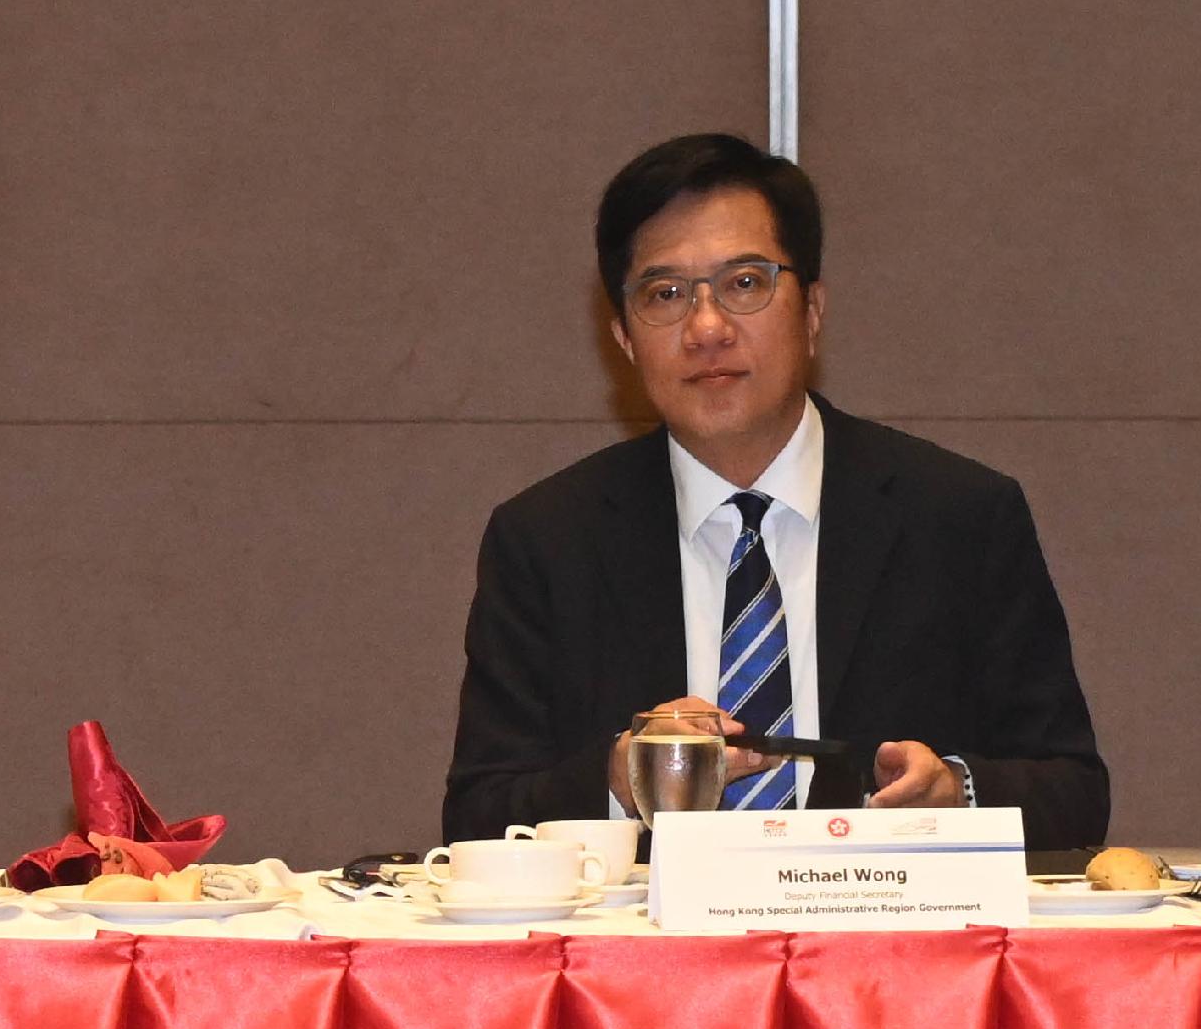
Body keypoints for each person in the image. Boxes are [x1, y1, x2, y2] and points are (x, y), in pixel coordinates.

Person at [446, 134, 1111, 845]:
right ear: (624, 336)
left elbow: (1072, 792)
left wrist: (957, 791)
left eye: (744, 284)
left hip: (888, 945)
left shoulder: (960, 517)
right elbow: (477, 820)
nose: (707, 327)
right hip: (649, 952)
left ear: (812, 310)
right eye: (666, 294)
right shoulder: (548, 540)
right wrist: (619, 780)